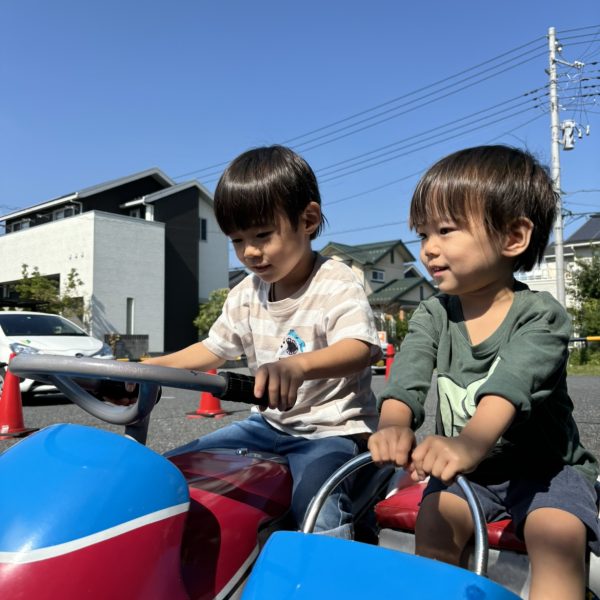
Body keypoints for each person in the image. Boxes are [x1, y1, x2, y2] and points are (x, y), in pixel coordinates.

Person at [367, 145, 599, 600]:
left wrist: (469, 443)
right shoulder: (434, 313)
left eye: (446, 230)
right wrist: (393, 424)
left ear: (513, 237)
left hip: (546, 470)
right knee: (434, 522)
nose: (429, 248)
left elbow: (510, 386)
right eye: (423, 234)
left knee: (557, 534)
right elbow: (408, 375)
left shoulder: (541, 316)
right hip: (470, 474)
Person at [146, 145, 382, 538]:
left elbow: (359, 348)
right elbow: (213, 349)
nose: (250, 252)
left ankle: (330, 564)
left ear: (307, 220)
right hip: (268, 425)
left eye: (262, 235)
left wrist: (297, 365)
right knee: (170, 468)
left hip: (333, 430)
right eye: (237, 240)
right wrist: (146, 368)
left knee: (316, 504)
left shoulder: (335, 281)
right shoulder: (246, 292)